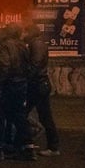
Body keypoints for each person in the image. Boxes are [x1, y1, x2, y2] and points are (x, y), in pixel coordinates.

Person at [0, 23, 35, 161]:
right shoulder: (22, 45)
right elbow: (28, 65)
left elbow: (4, 65)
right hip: (21, 84)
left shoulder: (5, 45)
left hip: (8, 85)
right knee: (19, 116)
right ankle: (28, 148)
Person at [24, 22, 61, 156]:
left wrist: (26, 78)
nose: (23, 34)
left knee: (43, 116)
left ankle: (51, 145)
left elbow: (35, 64)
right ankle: (48, 144)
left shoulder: (37, 45)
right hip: (38, 84)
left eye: (25, 32)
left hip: (38, 85)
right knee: (32, 114)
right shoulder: (35, 44)